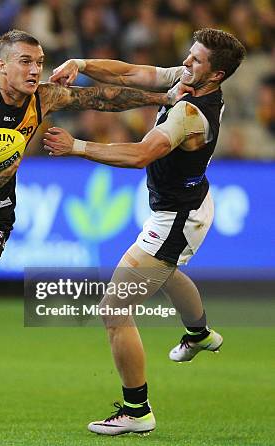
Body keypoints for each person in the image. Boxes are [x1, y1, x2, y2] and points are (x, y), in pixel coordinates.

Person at [0, 29, 183, 439]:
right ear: (1, 66)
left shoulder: (43, 98)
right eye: (25, 61)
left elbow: (98, 98)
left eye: (38, 62)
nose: (35, 69)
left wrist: (162, 99)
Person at [45, 28, 246, 435]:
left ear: (217, 76)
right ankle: (199, 334)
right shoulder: (190, 81)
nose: (186, 63)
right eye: (189, 55)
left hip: (175, 219)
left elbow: (139, 155)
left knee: (114, 310)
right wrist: (81, 65)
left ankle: (137, 411)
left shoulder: (190, 114)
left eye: (196, 60)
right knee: (165, 271)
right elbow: (132, 74)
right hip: (189, 204)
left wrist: (76, 147)